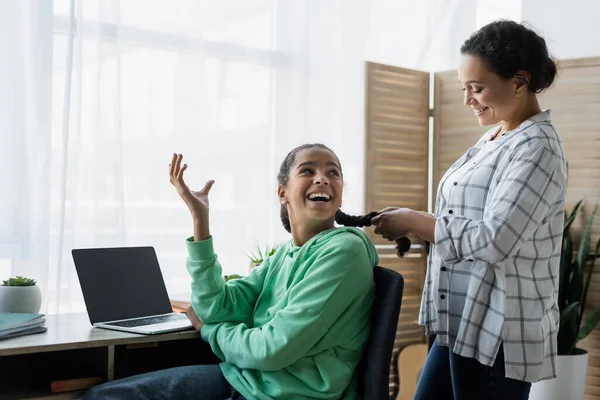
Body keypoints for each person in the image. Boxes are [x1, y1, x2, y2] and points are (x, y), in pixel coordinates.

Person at [83, 143, 407, 400]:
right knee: (107, 394)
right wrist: (201, 222)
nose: (322, 178)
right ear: (283, 193)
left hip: (287, 394)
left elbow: (273, 349)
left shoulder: (343, 251)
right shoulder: (285, 254)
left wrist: (211, 331)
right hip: (247, 381)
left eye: (332, 173)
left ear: (339, 192)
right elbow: (215, 307)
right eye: (308, 170)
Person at [372, 20, 567, 400]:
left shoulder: (537, 147)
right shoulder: (495, 136)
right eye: (464, 88)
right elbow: (464, 214)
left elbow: (494, 239)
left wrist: (417, 221)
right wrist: (416, 222)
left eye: (477, 88)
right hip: (459, 321)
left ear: (519, 82)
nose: (467, 99)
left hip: (496, 331)